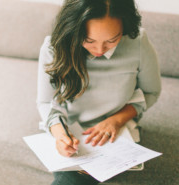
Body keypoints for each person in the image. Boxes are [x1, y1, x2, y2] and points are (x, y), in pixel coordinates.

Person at [36, 0, 161, 184]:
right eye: (89, 40)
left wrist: (115, 121)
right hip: (73, 132)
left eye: (112, 40)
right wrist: (61, 135)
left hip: (120, 133)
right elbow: (46, 102)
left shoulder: (138, 42)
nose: (100, 50)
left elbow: (151, 92)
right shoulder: (53, 47)